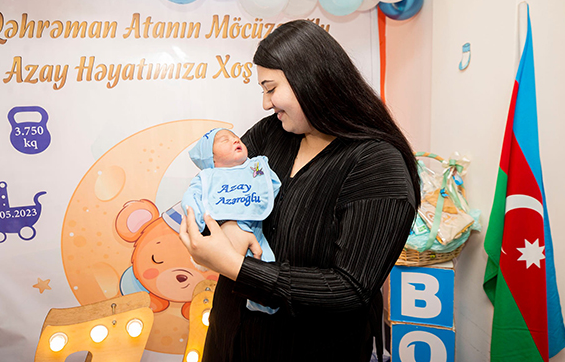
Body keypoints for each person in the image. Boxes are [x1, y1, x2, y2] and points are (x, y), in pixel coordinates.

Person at [178, 19, 420, 362]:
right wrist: (231, 225)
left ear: (311, 80)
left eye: (271, 88)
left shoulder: (376, 165)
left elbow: (350, 288)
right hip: (229, 340)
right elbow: (213, 186)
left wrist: (237, 267)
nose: (266, 103)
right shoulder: (270, 135)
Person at [164, 127, 281, 314]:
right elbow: (191, 199)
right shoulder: (207, 177)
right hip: (223, 232)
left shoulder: (255, 166)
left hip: (255, 226)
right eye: (225, 140)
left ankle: (263, 304)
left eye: (235, 137)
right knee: (233, 264)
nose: (235, 140)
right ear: (212, 159)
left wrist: (264, 201)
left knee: (265, 263)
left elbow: (271, 184)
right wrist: (199, 226)